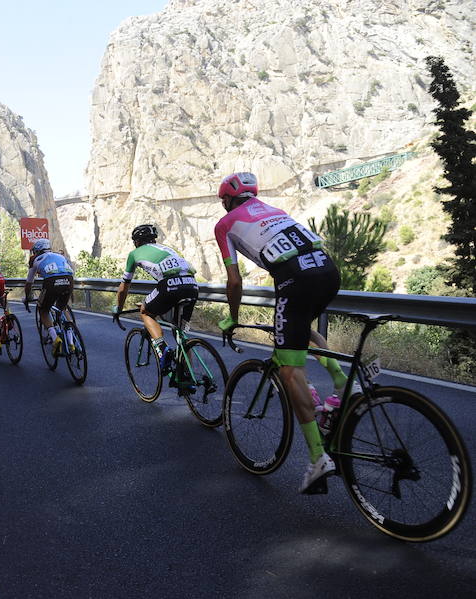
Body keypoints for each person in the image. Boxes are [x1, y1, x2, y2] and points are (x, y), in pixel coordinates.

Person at [214, 172, 341, 494]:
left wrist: (232, 318)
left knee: (288, 370)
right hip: (328, 270)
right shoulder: (275, 211)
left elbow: (234, 282)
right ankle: (342, 388)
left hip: (295, 279)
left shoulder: (225, 223)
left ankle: (317, 458)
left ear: (227, 200)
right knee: (300, 328)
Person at [113, 225, 199, 378]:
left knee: (146, 312)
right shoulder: (168, 249)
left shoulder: (134, 254)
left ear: (137, 242)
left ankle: (163, 349)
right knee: (181, 334)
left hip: (170, 286)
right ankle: (189, 377)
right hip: (192, 285)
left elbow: (124, 287)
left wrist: (118, 308)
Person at [23, 239, 75, 355]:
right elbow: (70, 271)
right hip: (69, 280)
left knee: (43, 309)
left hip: (52, 282)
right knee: (63, 308)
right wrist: (71, 293)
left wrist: (27, 297)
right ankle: (71, 341)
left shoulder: (34, 259)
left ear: (36, 251)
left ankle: (55, 338)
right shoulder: (60, 256)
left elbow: (29, 283)